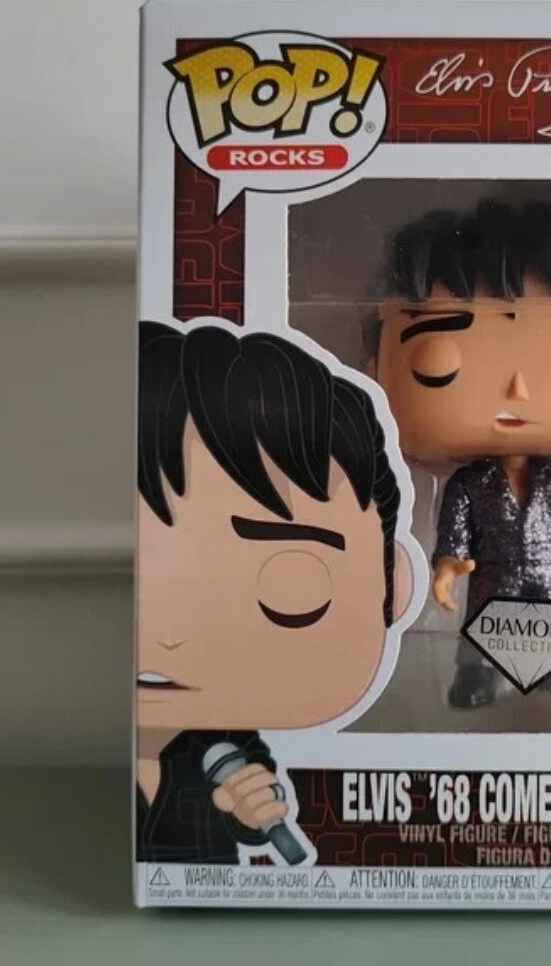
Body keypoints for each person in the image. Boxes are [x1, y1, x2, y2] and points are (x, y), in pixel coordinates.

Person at [136, 321, 412, 863]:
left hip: (211, 886)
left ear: (393, 586)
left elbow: (256, 807)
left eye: (290, 593)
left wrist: (250, 814)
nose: (167, 636)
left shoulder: (225, 746)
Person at [374, 202, 551, 708]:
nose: (518, 389)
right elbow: (455, 528)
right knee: (484, 626)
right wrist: (447, 566)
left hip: (549, 574)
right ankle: (477, 674)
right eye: (439, 366)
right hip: (493, 576)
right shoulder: (469, 483)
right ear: (372, 373)